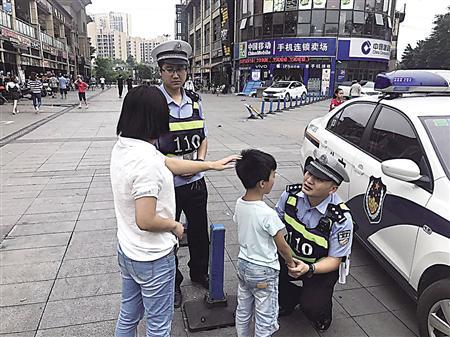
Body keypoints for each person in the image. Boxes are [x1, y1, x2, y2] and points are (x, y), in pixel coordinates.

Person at [111, 85, 238, 337]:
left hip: (128, 250)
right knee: (158, 326)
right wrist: (175, 226)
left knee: (129, 314)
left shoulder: (125, 146)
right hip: (153, 257)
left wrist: (210, 165)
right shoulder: (145, 162)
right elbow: (145, 219)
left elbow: (168, 162)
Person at [151, 40, 209, 308]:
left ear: (187, 71)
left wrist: (198, 163)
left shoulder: (195, 101)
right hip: (167, 184)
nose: (176, 74)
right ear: (160, 71)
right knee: (168, 235)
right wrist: (177, 168)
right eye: (170, 69)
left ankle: (200, 273)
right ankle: (173, 283)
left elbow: (203, 137)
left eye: (181, 69)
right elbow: (149, 147)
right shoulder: (153, 104)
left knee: (199, 232)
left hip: (196, 182)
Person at [275, 150, 353, 332]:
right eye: (309, 172)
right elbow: (274, 224)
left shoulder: (341, 219)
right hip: (290, 258)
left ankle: (322, 312)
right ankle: (290, 298)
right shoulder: (290, 196)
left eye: (318, 178)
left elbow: (335, 260)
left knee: (311, 307)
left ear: (332, 189)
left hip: (319, 269)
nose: (309, 180)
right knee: (267, 278)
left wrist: (309, 269)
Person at [233, 149, 301, 337]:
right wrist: (290, 262)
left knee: (244, 308)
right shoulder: (268, 214)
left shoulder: (240, 203)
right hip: (263, 270)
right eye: (273, 174)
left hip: (243, 265)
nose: (275, 177)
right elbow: (282, 245)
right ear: (262, 184)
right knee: (266, 315)